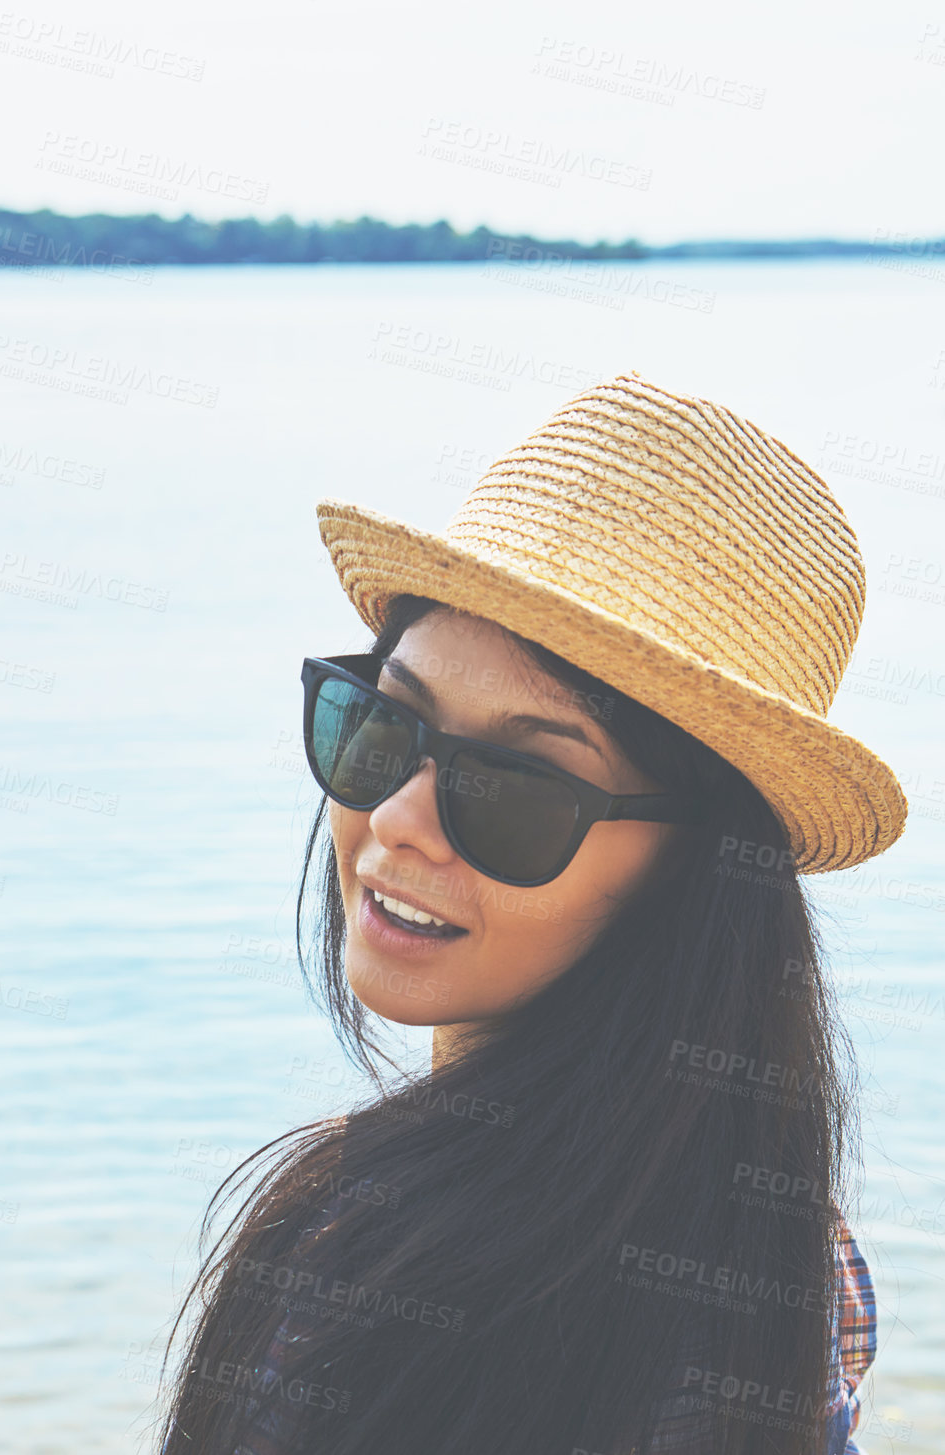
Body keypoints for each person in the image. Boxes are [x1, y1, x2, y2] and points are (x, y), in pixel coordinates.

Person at [154, 371, 899, 1455]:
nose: (400, 818)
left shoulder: (354, 1246)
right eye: (383, 725)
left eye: (512, 787)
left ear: (696, 868)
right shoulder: (796, 1257)